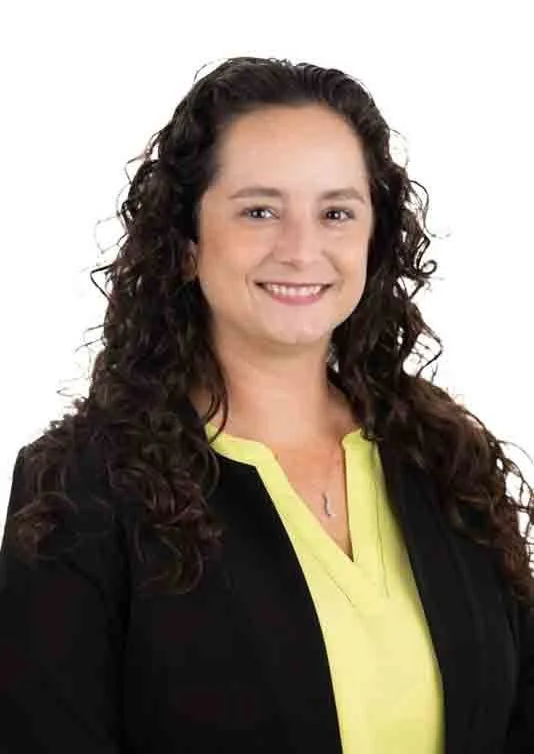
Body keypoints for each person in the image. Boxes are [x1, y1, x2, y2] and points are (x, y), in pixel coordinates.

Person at [0, 56, 532, 753]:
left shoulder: (443, 457)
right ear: (186, 243)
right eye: (259, 210)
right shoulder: (83, 489)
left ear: (375, 239)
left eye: (336, 212)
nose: (302, 249)